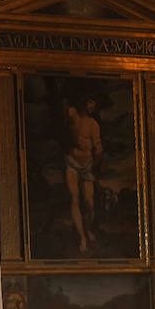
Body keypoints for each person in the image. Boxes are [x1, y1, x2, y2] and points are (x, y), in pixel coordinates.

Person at [64, 101, 103, 254]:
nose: (92, 105)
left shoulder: (94, 125)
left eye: (94, 103)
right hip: (72, 163)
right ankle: (82, 238)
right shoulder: (72, 114)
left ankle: (87, 230)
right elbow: (66, 126)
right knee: (74, 198)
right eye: (90, 102)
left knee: (89, 203)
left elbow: (97, 147)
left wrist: (97, 162)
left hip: (87, 165)